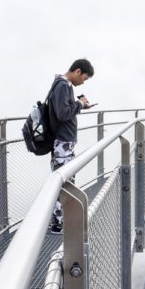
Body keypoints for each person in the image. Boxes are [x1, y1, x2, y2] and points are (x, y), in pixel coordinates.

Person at [48, 59, 94, 235]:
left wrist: (79, 105)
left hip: (64, 142)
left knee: (67, 181)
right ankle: (58, 225)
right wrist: (80, 104)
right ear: (77, 71)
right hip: (62, 142)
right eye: (84, 78)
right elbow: (62, 113)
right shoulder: (63, 85)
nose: (83, 82)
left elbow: (64, 110)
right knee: (63, 183)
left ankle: (61, 221)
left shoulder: (64, 85)